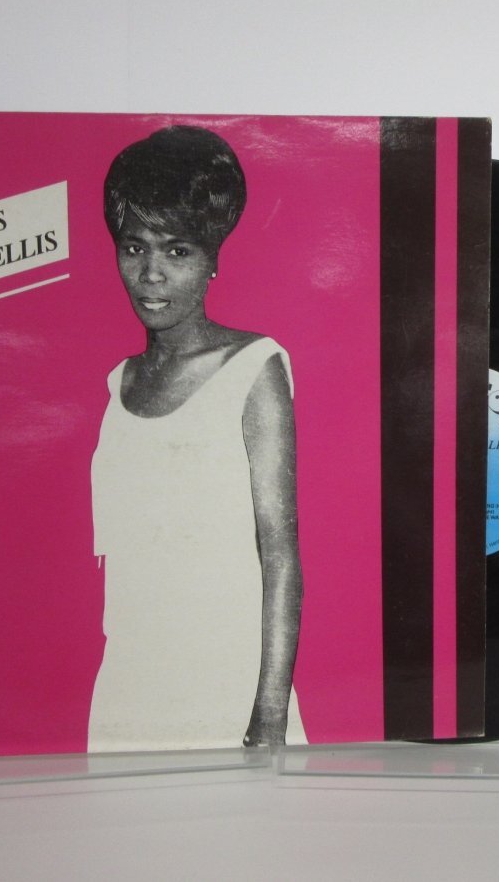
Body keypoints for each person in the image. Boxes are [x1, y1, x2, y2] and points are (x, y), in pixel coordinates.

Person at [88, 125, 305, 750]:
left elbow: (280, 554)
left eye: (177, 251)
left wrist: (269, 715)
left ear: (212, 260)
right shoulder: (118, 383)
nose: (151, 274)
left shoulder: (254, 367)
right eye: (134, 247)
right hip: (128, 681)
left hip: (226, 682)